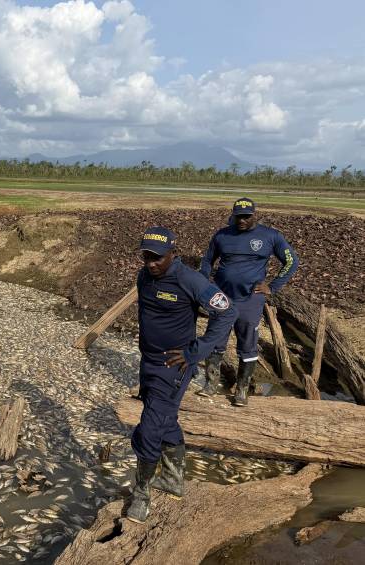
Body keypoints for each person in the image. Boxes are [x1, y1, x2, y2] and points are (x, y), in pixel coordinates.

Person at [126, 226, 237, 524]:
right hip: (148, 362)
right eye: (146, 256)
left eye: (157, 257)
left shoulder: (190, 279)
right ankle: (174, 480)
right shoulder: (143, 277)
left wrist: (197, 351)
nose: (151, 262)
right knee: (165, 421)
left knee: (149, 429)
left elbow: (227, 311)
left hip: (173, 366)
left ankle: (141, 494)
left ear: (173, 253)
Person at [198, 198, 299, 406]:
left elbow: (291, 260)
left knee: (248, 345)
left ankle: (242, 389)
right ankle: (211, 384)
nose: (242, 220)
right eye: (238, 216)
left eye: (246, 216)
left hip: (250, 300)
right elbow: (208, 260)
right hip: (222, 298)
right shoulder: (222, 235)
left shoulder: (271, 236)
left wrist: (272, 286)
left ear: (255, 214)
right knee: (215, 341)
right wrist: (205, 284)